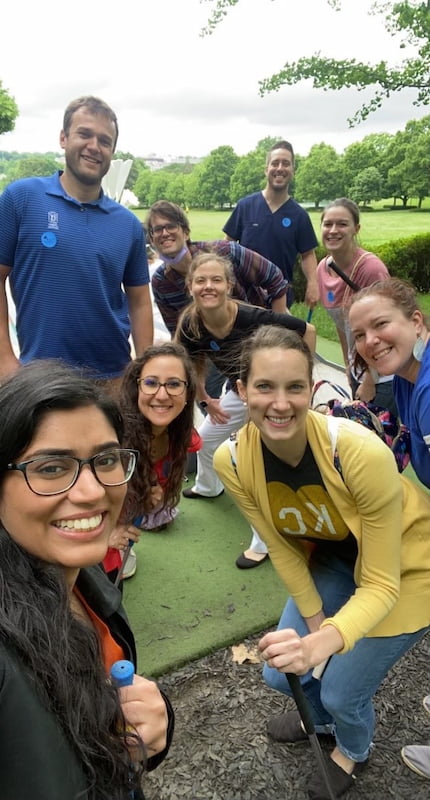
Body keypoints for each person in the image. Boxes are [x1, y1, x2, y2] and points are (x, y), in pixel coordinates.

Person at [213, 324, 430, 799]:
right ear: (241, 389)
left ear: (310, 389)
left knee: (337, 689)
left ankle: (352, 748)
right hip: (335, 558)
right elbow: (281, 546)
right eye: (264, 386)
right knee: (280, 675)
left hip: (409, 567)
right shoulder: (232, 460)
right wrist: (316, 624)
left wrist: (322, 645)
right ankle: (325, 721)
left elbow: (381, 583)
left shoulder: (356, 450)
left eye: (294, 387)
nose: (280, 403)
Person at [0, 360, 174, 799]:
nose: (93, 491)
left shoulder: (83, 577)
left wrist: (152, 726)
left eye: (106, 459)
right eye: (51, 468)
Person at [0, 96, 153, 391]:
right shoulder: (21, 199)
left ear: (112, 151)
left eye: (105, 141)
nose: (94, 146)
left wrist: (144, 370)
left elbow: (140, 301)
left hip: (113, 379)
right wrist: (5, 361)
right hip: (40, 378)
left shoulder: (128, 225)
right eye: (84, 134)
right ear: (63, 138)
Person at [176, 252, 316, 568]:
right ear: (190, 286)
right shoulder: (191, 322)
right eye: (201, 280)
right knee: (208, 439)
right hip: (237, 392)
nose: (208, 286)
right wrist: (204, 401)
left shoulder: (253, 318)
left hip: (267, 395)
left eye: (216, 280)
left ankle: (265, 541)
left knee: (252, 460)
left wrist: (301, 384)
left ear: (229, 285)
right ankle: (209, 486)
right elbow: (190, 364)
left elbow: (307, 330)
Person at [348, 277, 430, 780]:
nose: (369, 341)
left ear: (416, 321)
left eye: (381, 325)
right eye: (359, 334)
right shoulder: (406, 375)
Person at [105, 342, 200, 580]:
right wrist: (104, 535)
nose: (161, 394)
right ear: (136, 388)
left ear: (187, 393)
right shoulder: (111, 439)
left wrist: (149, 493)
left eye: (174, 384)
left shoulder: (181, 436)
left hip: (124, 527)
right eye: (151, 383)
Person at [317, 198, 397, 415]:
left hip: (384, 372)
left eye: (342, 224)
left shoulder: (370, 269)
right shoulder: (323, 268)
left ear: (356, 229)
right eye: (328, 224)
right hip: (357, 369)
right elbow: (342, 326)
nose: (333, 230)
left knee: (381, 437)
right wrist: (348, 368)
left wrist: (371, 378)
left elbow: (388, 329)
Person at [223, 140, 319, 308]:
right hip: (245, 297)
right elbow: (227, 245)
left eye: (286, 164)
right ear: (266, 169)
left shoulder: (299, 215)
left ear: (293, 171)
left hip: (279, 297)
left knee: (278, 335)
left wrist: (313, 283)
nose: (280, 168)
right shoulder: (245, 206)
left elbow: (308, 254)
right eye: (275, 163)